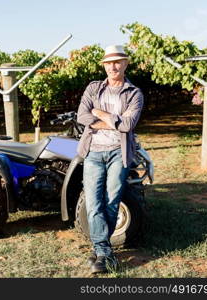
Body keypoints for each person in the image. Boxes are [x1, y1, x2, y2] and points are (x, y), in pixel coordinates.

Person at [76, 45, 144, 274]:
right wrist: (113, 120)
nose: (113, 66)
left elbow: (128, 125)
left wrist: (101, 114)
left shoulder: (134, 93)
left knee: (112, 201)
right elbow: (82, 116)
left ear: (125, 64)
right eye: (108, 63)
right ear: (104, 65)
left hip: (118, 152)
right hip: (94, 152)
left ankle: (100, 252)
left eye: (117, 62)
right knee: (94, 203)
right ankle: (104, 251)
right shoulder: (94, 88)